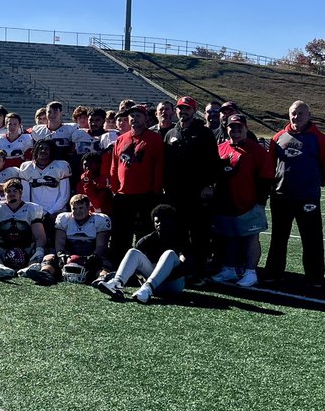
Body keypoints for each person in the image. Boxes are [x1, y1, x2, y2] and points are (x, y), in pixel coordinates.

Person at [263, 101, 325, 287]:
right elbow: (270, 167)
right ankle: (274, 273)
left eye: (301, 113)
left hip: (307, 198)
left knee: (312, 239)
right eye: (293, 113)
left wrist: (314, 184)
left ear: (309, 115)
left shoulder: (320, 139)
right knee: (278, 238)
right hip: (281, 198)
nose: (296, 117)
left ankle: (314, 278)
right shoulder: (278, 138)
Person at [211, 114, 273, 287]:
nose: (235, 130)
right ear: (227, 128)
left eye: (239, 127)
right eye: (232, 127)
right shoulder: (220, 148)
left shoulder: (257, 150)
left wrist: (259, 202)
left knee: (251, 238)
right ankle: (229, 269)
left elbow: (267, 177)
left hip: (249, 204)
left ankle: (251, 272)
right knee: (229, 237)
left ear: (246, 129)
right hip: (226, 203)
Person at [162, 96, 220, 277]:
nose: (183, 111)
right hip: (175, 193)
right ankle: (179, 268)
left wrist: (209, 185)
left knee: (199, 234)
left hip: (197, 193)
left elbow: (213, 162)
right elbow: (165, 164)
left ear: (194, 111)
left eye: (187, 108)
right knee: (178, 232)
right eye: (180, 108)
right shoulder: (170, 133)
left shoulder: (204, 133)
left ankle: (199, 272)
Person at [94, 204, 191, 304]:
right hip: (152, 286)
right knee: (133, 252)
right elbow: (134, 266)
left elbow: (185, 266)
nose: (159, 224)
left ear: (172, 221)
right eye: (157, 221)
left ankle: (148, 288)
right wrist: (141, 276)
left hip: (173, 285)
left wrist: (161, 275)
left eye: (164, 220)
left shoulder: (181, 239)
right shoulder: (146, 241)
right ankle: (117, 284)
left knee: (169, 253)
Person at [107, 103, 164, 261]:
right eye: (131, 116)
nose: (134, 119)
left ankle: (143, 263)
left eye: (138, 115)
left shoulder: (154, 139)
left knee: (144, 232)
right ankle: (118, 263)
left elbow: (158, 166)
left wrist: (156, 190)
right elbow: (114, 165)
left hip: (145, 194)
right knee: (120, 232)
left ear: (146, 118)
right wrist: (114, 187)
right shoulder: (121, 139)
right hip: (123, 195)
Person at [0, 179, 47, 280]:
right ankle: (0, 267)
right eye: (8, 191)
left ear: (21, 193)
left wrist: (39, 250)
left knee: (40, 251)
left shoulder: (32, 209)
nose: (11, 194)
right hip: (3, 247)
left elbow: (40, 235)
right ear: (4, 194)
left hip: (26, 248)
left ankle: (29, 268)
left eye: (14, 191)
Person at [54, 194, 112, 282]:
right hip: (70, 255)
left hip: (91, 255)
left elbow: (101, 245)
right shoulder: (64, 219)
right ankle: (46, 272)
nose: (77, 211)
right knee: (50, 257)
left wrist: (93, 257)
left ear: (88, 207)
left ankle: (102, 278)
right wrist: (61, 254)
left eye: (81, 208)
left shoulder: (100, 220)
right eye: (74, 209)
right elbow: (60, 242)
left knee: (103, 264)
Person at [18, 139, 72, 222]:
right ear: (36, 150)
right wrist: (34, 211)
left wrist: (50, 212)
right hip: (35, 211)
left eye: (47, 149)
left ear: (52, 151)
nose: (43, 151)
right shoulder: (26, 167)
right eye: (40, 148)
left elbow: (64, 195)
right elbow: (25, 195)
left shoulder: (61, 166)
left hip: (56, 212)